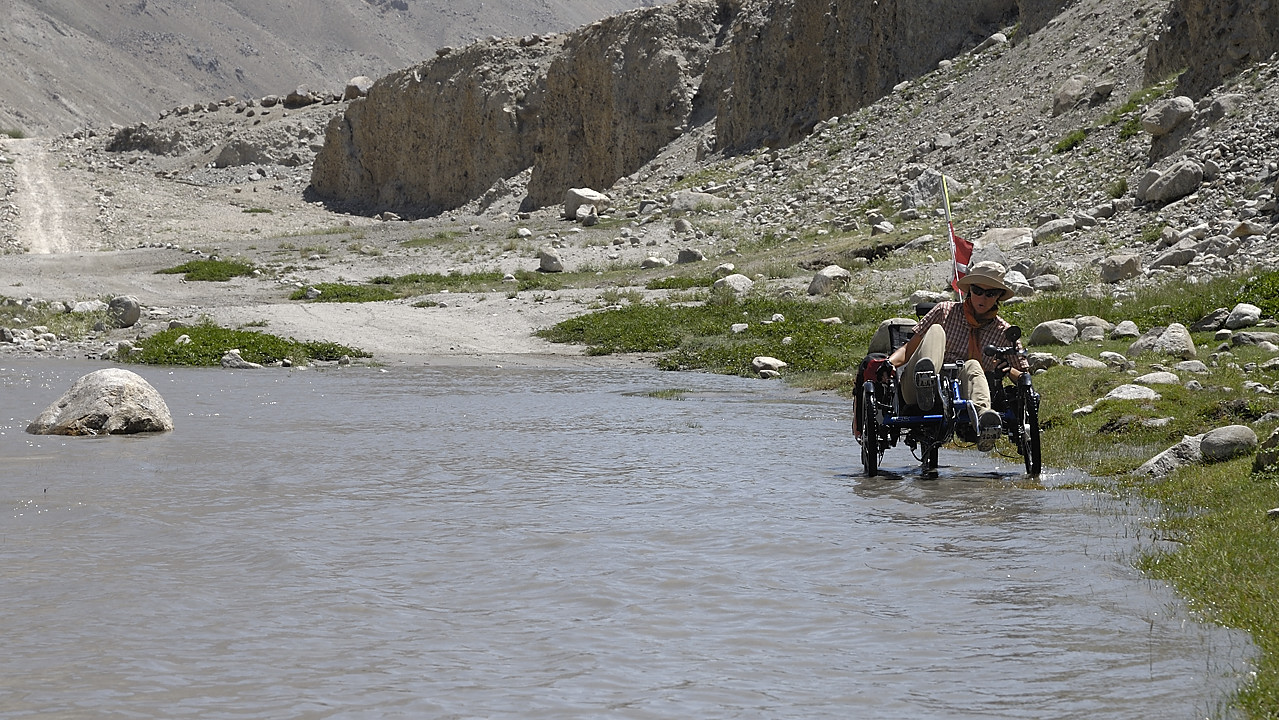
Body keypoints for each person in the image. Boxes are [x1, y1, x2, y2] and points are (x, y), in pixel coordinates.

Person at [886, 261, 1030, 452]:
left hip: (965, 391)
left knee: (973, 365)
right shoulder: (944, 311)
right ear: (969, 291)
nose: (982, 298)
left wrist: (1007, 369)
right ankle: (926, 380)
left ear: (998, 297)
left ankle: (985, 420)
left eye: (990, 294)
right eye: (978, 291)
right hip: (917, 389)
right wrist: (888, 364)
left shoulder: (1003, 331)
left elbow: (1023, 377)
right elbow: (908, 350)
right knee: (936, 330)